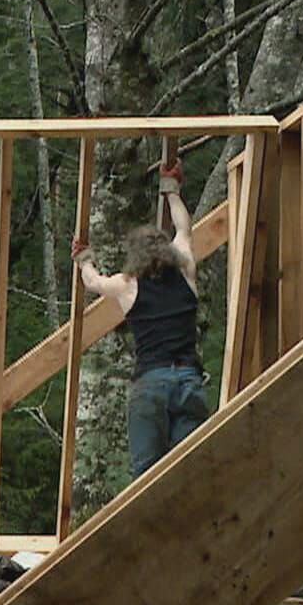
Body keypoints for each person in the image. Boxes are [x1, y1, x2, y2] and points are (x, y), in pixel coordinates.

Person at [73, 158, 209, 478]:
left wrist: (83, 258)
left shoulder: (128, 285)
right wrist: (171, 189)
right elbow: (183, 229)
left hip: (151, 382)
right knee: (189, 470)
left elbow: (93, 282)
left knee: (146, 475)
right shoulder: (185, 271)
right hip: (188, 380)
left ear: (135, 255)